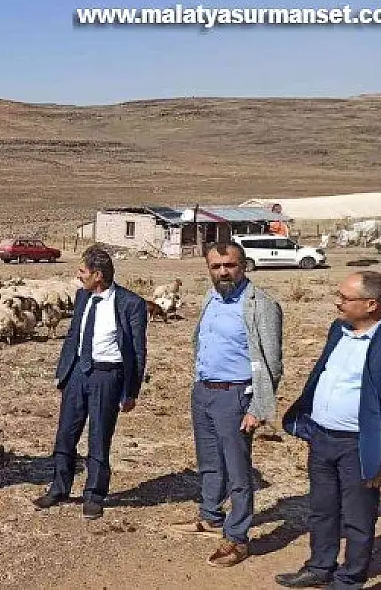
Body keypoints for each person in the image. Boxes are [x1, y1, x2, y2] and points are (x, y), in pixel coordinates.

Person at [275, 271, 381, 590]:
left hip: (360, 446)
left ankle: (349, 579)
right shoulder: (339, 329)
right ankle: (320, 567)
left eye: (345, 298)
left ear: (371, 304)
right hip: (321, 438)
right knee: (321, 509)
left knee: (358, 518)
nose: (338, 302)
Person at [169, 242, 283, 568]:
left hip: (235, 396)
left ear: (243, 265)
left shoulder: (261, 305)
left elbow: (272, 362)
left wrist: (258, 407)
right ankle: (209, 516)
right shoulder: (212, 297)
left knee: (237, 470)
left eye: (230, 265)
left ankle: (237, 538)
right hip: (204, 392)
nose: (223, 272)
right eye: (216, 266)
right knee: (209, 461)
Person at [35, 245, 147, 520]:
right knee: (66, 433)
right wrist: (63, 372)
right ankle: (59, 487)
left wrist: (131, 391)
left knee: (98, 436)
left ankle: (94, 494)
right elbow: (73, 335)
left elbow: (137, 350)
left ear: (98, 275)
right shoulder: (82, 297)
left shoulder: (131, 304)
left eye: (82, 270)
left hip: (106, 376)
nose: (78, 274)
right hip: (77, 374)